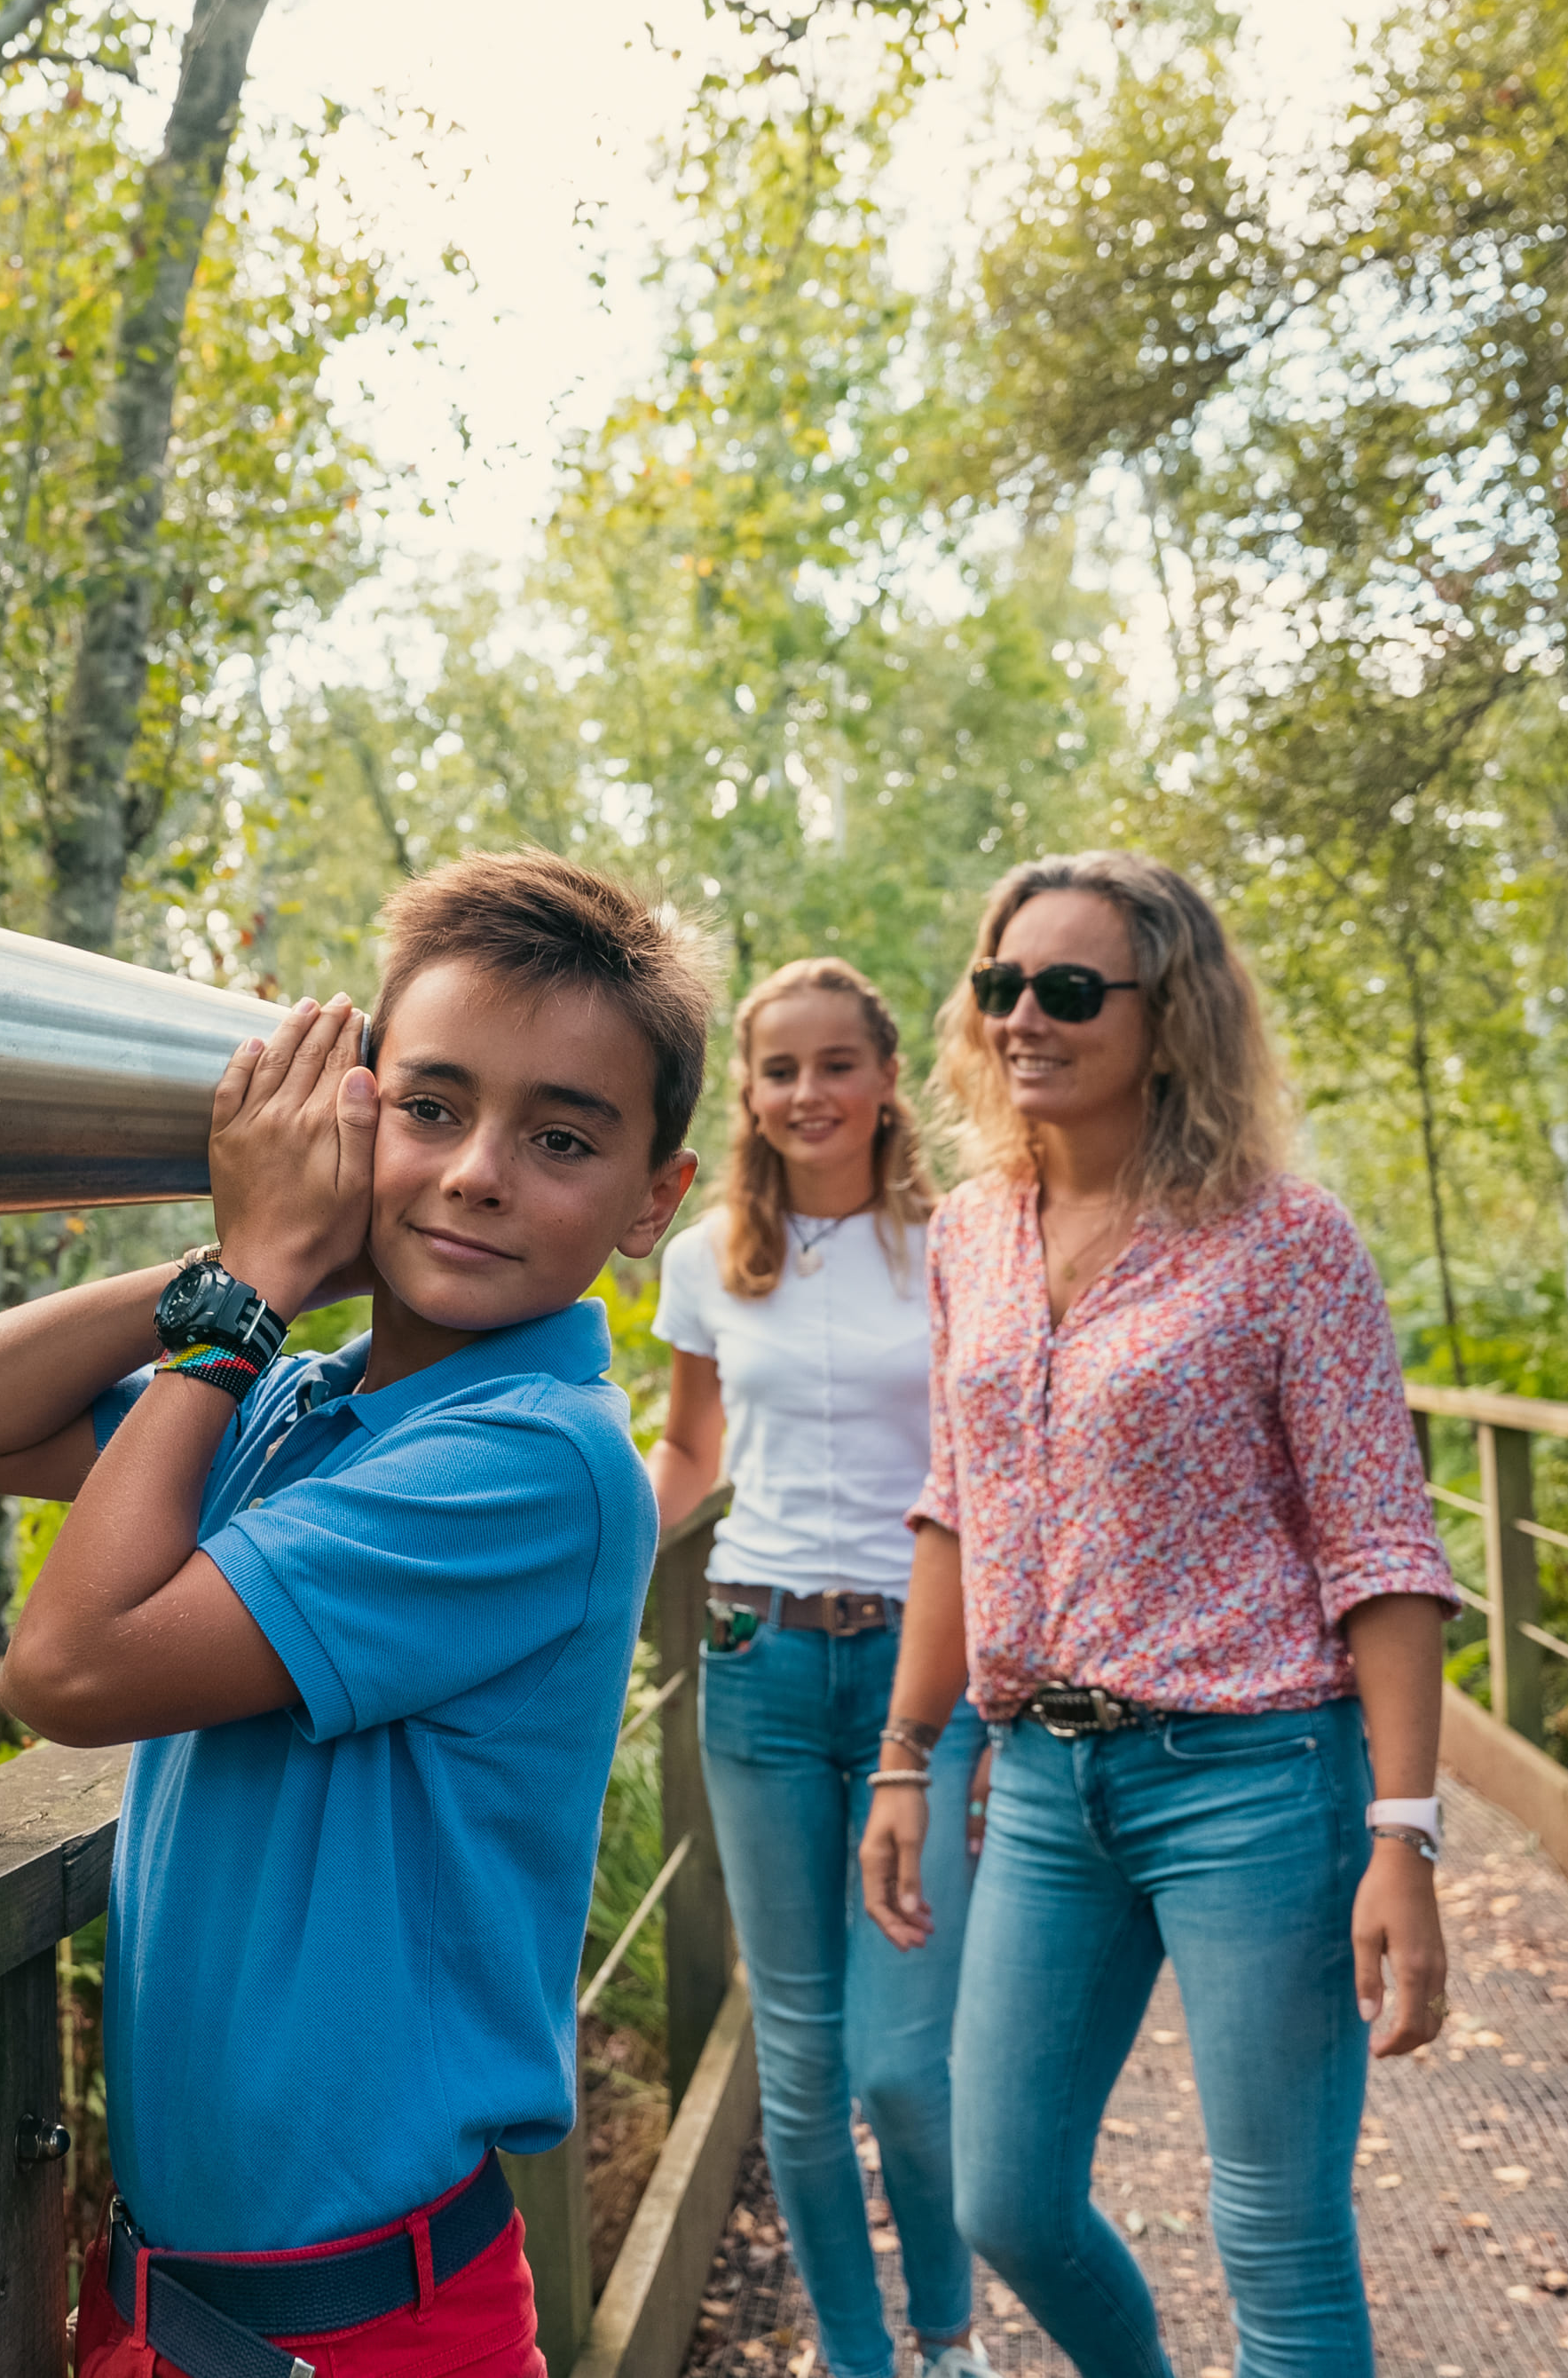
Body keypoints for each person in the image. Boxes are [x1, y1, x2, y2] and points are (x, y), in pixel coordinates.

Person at [0, 851, 713, 2378]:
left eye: (563, 1137)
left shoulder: (533, 1457)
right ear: (355, 1113)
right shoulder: (298, 1403)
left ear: (655, 1200)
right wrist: (255, 1272)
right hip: (180, 2303)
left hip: (364, 2334)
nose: (476, 1172)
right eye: (432, 1107)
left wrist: (252, 1292)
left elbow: (63, 1670)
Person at [856, 850, 1461, 2378]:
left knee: (1276, 2230)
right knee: (1006, 2198)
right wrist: (905, 1753)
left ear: (1168, 1013)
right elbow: (952, 1504)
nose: (1022, 1018)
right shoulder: (970, 1235)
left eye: (1068, 990)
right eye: (1001, 986)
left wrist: (1406, 1831)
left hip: (1259, 1781)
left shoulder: (1287, 1241)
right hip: (1045, 1785)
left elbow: (1381, 1548)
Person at [646, 958, 993, 2378]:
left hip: (934, 1679)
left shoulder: (965, 1245)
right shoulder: (709, 1255)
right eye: (779, 1069)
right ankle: (857, 2358)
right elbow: (688, 1458)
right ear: (749, 1092)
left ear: (886, 1078)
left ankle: (949, 2337)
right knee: (797, 2058)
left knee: (904, 2067)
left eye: (835, 1064)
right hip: (760, 1662)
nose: (808, 1093)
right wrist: (570, 1551)